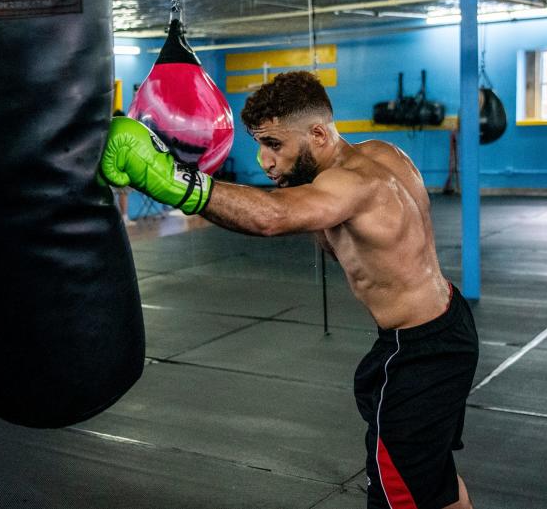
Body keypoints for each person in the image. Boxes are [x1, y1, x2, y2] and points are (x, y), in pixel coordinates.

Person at [100, 70, 479, 509]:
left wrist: (171, 181)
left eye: (275, 144)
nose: (264, 160)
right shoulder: (383, 154)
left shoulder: (350, 185)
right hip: (448, 323)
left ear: (318, 133)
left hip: (418, 356)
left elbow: (272, 217)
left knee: (397, 494)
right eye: (260, 144)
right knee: (435, 477)